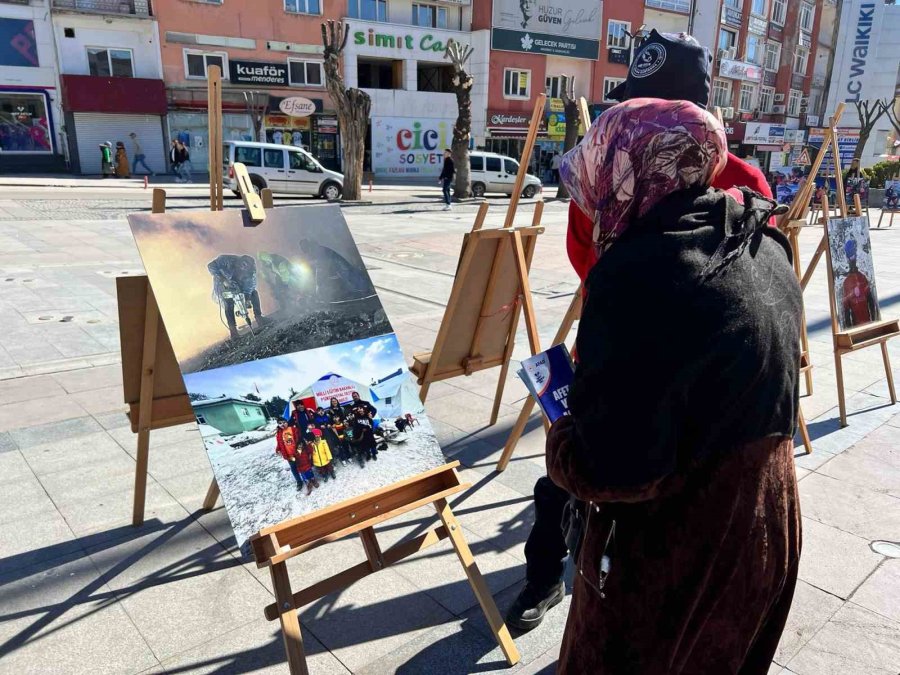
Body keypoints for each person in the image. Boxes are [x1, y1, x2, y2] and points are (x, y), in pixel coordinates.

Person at [507, 29, 782, 631]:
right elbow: (590, 262)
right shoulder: (607, 162)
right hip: (616, 344)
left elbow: (746, 272)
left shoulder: (740, 178)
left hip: (700, 383)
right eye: (634, 107)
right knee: (574, 469)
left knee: (646, 496)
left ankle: (578, 579)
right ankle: (545, 575)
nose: (639, 122)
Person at [545, 98, 802, 673]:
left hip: (678, 556)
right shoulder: (764, 241)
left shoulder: (635, 272)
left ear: (631, 166)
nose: (588, 187)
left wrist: (562, 438)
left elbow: (614, 467)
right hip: (768, 531)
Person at [207, 254, 265, 340]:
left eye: (244, 271)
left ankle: (259, 318)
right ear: (238, 263)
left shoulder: (250, 274)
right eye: (240, 268)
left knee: (254, 293)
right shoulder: (226, 260)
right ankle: (233, 332)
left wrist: (247, 299)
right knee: (228, 303)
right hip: (223, 286)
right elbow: (211, 266)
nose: (241, 272)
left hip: (240, 287)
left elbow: (249, 287)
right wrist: (223, 279)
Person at [840, 238, 879, 327]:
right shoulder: (850, 281)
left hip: (864, 323)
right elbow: (846, 310)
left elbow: (871, 301)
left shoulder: (861, 278)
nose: (852, 258)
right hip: (860, 323)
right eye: (851, 256)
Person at [274, 418, 307, 489]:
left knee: (302, 466)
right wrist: (277, 449)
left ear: (287, 422)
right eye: (280, 423)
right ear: (278, 425)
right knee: (294, 468)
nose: (282, 424)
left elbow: (300, 441)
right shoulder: (279, 433)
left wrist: (299, 451)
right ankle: (299, 482)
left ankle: (307, 479)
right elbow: (279, 443)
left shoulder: (293, 429)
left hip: (297, 453)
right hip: (289, 455)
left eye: (284, 422)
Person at [326, 398, 353, 465]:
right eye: (332, 401)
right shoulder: (329, 411)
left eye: (335, 401)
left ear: (337, 401)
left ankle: (348, 456)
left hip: (342, 428)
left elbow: (344, 417)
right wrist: (331, 425)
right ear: (331, 403)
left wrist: (345, 422)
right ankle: (343, 459)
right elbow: (329, 421)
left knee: (345, 443)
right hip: (335, 430)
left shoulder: (341, 408)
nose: (334, 402)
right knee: (339, 445)